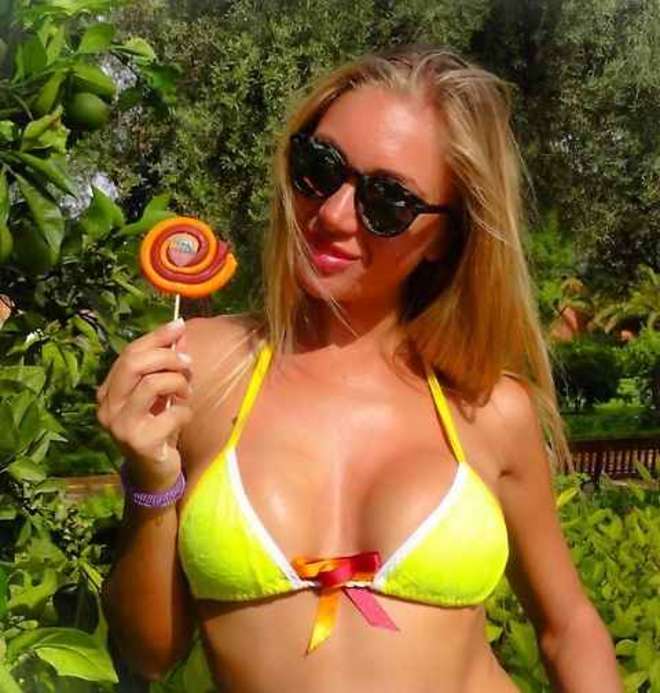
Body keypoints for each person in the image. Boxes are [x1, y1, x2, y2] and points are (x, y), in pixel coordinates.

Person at [97, 46, 623, 692]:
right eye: (319, 169)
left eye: (388, 201)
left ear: (446, 237)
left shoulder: (487, 409)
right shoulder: (199, 370)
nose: (333, 215)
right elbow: (149, 652)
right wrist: (150, 479)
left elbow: (568, 626)